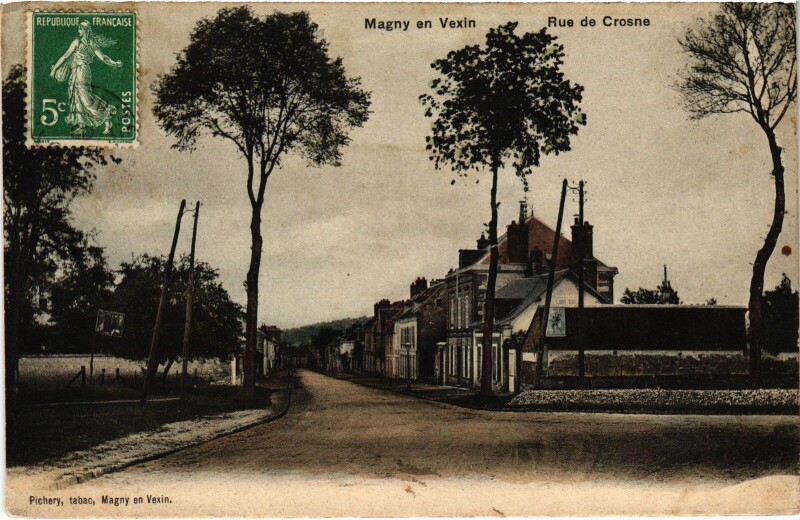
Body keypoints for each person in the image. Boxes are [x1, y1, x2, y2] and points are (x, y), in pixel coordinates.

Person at [50, 20, 122, 134]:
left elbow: (102, 57)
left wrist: (114, 63)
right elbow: (65, 57)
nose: (79, 30)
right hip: (77, 71)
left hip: (82, 71)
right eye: (79, 28)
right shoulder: (84, 42)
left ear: (85, 30)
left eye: (80, 28)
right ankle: (81, 126)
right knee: (77, 97)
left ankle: (105, 115)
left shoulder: (84, 43)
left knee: (85, 99)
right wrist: (55, 69)